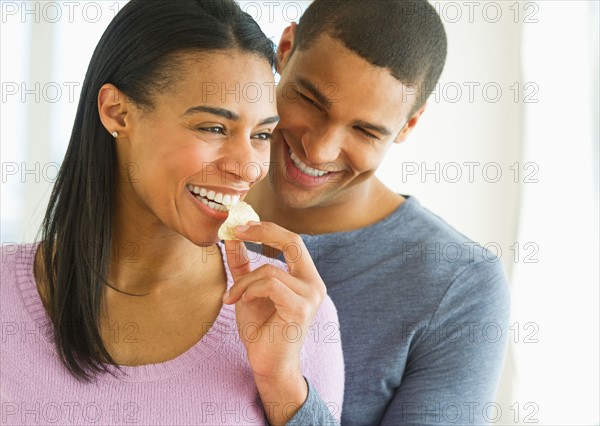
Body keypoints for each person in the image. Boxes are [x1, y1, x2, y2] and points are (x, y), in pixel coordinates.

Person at [0, 1, 344, 425]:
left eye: (261, 134)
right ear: (117, 113)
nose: (249, 166)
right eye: (214, 128)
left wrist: (281, 384)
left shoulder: (294, 313)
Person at [245, 0, 511, 424]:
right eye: (310, 100)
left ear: (408, 125)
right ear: (286, 47)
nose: (319, 149)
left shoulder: (458, 284)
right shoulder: (189, 200)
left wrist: (284, 389)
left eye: (365, 130)